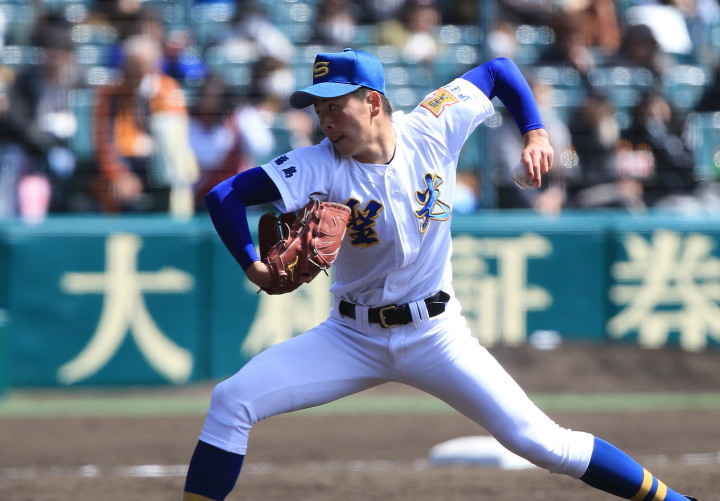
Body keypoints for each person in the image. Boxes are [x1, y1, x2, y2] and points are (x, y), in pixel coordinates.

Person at [183, 48, 700, 501]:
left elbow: (499, 71)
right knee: (232, 400)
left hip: (435, 334)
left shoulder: (432, 124)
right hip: (350, 336)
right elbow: (224, 196)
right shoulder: (315, 165)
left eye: (335, 106)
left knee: (543, 443)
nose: (325, 121)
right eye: (318, 110)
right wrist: (253, 264)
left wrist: (535, 132)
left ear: (373, 102)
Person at [92, 34, 197, 214]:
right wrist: (119, 174)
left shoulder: (168, 90)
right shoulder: (110, 93)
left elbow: (174, 139)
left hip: (161, 165)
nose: (132, 72)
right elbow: (104, 141)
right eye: (129, 65)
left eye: (139, 65)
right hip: (126, 163)